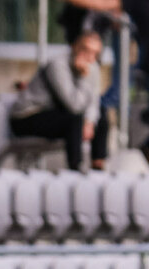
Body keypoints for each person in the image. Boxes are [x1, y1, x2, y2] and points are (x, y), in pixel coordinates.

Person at [10, 30, 109, 171]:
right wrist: (83, 77)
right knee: (74, 118)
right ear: (75, 47)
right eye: (86, 50)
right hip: (27, 116)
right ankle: (76, 169)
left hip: (56, 113)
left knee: (101, 115)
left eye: (95, 53)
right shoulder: (57, 65)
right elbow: (74, 105)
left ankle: (98, 167)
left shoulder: (93, 67)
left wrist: (89, 122)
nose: (90, 56)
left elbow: (93, 102)